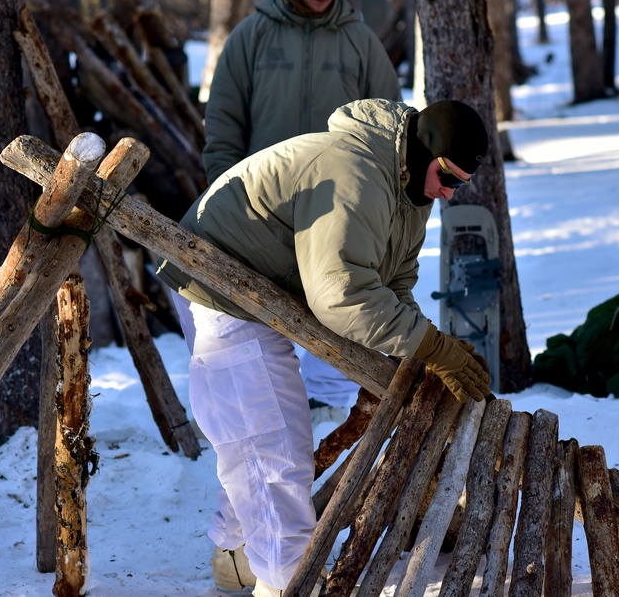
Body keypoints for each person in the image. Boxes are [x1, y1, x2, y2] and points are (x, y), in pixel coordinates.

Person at [158, 98, 493, 596]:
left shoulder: (407, 192)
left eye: (460, 185)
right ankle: (288, 580)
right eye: (448, 176)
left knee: (259, 436)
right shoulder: (357, 172)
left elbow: (391, 284)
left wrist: (424, 348)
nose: (448, 192)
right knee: (269, 442)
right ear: (425, 151)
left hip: (266, 287)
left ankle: (237, 554)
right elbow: (340, 296)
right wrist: (433, 347)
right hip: (220, 280)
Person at [200, 0, 403, 415]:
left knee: (336, 299)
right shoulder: (252, 35)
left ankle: (332, 407)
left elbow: (392, 124)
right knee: (263, 315)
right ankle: (271, 408)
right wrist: (223, 190)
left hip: (338, 204)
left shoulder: (360, 41)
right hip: (262, 204)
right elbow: (224, 120)